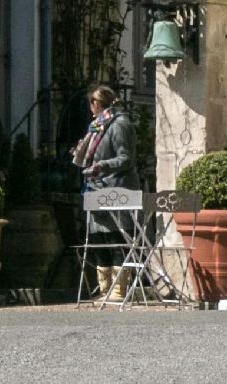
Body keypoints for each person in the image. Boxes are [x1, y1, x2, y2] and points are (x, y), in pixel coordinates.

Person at [70, 85, 143, 301]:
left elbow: (126, 158)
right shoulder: (97, 127)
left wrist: (102, 165)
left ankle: (119, 291)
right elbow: (92, 154)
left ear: (98, 103)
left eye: (91, 102)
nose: (90, 107)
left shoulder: (120, 124)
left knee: (115, 239)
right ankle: (104, 290)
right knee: (98, 239)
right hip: (96, 189)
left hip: (116, 189)